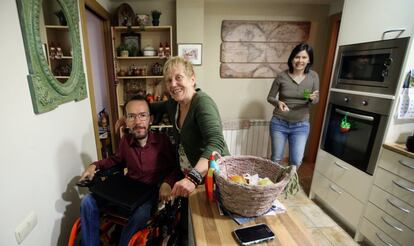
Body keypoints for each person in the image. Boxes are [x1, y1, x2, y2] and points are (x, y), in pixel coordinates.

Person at [78, 95, 180, 246]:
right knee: (87, 201)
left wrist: (167, 183)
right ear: (126, 121)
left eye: (142, 115)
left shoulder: (162, 142)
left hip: (149, 193)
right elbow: (115, 160)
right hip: (126, 190)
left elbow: (176, 168)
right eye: (131, 116)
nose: (138, 122)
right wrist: (94, 165)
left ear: (150, 119)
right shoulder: (125, 141)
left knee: (141, 214)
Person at [267, 43, 319, 170]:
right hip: (279, 123)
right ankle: (276, 186)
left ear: (309, 60)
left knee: (296, 160)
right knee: (276, 159)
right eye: (297, 57)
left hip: (301, 125)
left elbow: (316, 99)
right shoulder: (282, 76)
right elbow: (270, 97)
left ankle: (289, 186)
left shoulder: (313, 76)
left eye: (304, 57)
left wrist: (313, 99)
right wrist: (278, 103)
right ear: (291, 59)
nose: (300, 61)